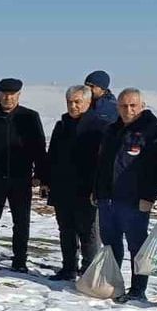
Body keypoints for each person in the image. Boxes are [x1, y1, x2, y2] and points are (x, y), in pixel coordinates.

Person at [94, 88, 157, 303]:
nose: (128, 110)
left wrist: (149, 196)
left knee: (136, 246)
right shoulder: (112, 130)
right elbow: (101, 164)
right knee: (110, 244)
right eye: (124, 106)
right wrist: (97, 190)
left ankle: (138, 288)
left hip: (135, 200)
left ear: (142, 106)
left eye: (133, 105)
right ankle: (111, 282)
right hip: (108, 198)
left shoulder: (154, 131)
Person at [0, 78, 47, 273]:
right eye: (4, 94)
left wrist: (40, 174)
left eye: (12, 94)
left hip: (21, 178)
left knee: (21, 222)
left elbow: (39, 148)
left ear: (19, 95)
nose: (8, 98)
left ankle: (20, 261)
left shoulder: (29, 117)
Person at [42, 86, 105, 281]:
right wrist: (46, 180)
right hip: (62, 187)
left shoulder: (99, 127)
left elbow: (103, 161)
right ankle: (68, 267)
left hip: (86, 189)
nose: (73, 106)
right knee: (66, 230)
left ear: (88, 102)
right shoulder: (62, 125)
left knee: (88, 232)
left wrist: (98, 188)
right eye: (70, 102)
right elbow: (52, 155)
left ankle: (89, 271)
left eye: (77, 102)